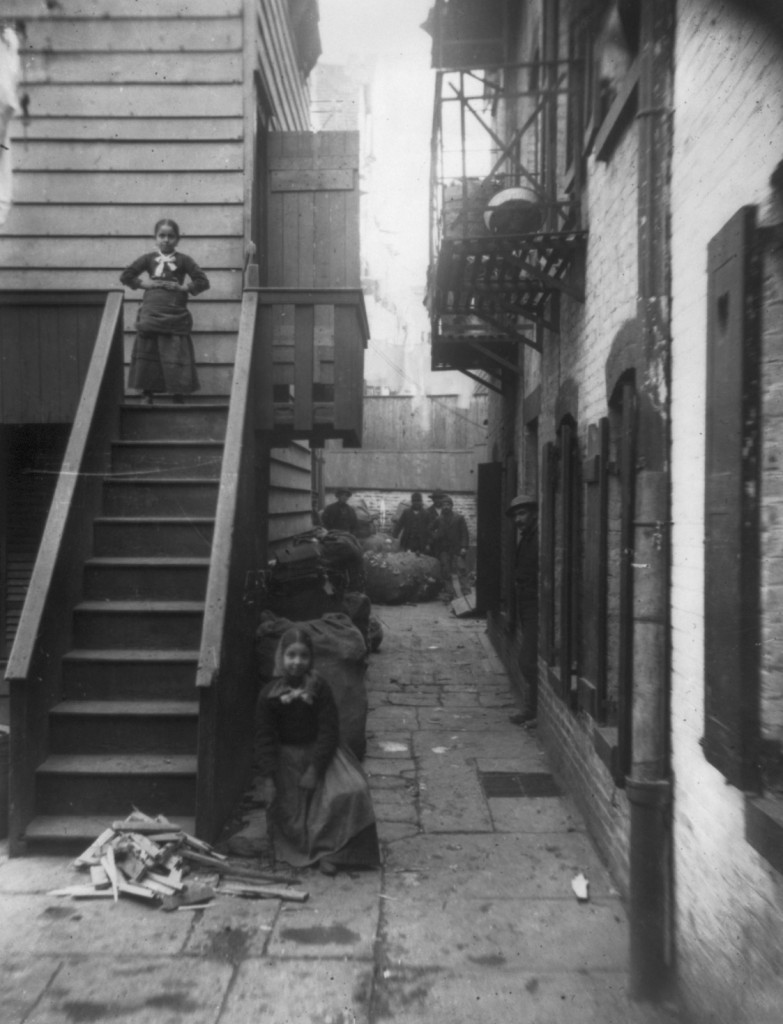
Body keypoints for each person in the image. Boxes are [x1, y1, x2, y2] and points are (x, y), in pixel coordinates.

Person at [255, 627, 380, 874]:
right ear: (282, 658)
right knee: (295, 815)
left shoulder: (319, 688)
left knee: (351, 791)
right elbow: (264, 738)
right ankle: (312, 848)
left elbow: (328, 730)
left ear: (311, 659)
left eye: (303, 656)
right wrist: (268, 776)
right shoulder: (269, 695)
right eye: (291, 655)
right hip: (286, 760)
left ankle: (335, 852)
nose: (297, 662)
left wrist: (315, 768)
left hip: (321, 755)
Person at [120, 218, 209, 405]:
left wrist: (183, 288)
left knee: (175, 351)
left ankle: (178, 393)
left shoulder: (184, 260)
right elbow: (126, 275)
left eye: (171, 236)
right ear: (156, 237)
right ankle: (147, 393)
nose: (166, 240)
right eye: (162, 236)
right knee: (148, 348)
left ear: (177, 239)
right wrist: (145, 284)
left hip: (174, 312)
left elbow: (202, 282)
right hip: (151, 310)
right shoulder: (148, 259)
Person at [506, 494, 539, 722]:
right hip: (525, 606)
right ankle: (531, 708)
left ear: (533, 513)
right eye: (516, 515)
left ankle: (533, 709)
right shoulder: (526, 537)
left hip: (536, 606)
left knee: (527, 661)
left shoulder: (537, 538)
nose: (519, 519)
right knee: (527, 660)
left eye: (523, 513)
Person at [429, 495, 469, 596]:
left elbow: (464, 533)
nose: (446, 507)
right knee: (446, 572)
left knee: (461, 571)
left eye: (448, 505)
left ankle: (466, 592)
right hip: (444, 550)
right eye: (444, 505)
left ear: (452, 506)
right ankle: (450, 593)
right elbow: (429, 530)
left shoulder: (459, 518)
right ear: (441, 507)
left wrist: (464, 547)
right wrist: (436, 536)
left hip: (457, 549)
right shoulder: (439, 519)